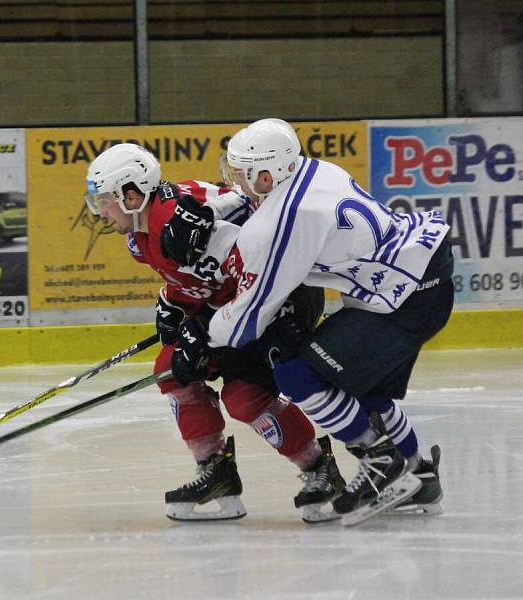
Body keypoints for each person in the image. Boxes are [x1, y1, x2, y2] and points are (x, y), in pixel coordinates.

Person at [173, 118, 450, 526]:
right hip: (418, 272)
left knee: (297, 375)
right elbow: (255, 206)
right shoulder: (314, 169)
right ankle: (421, 476)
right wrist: (215, 208)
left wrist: (202, 335)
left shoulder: (282, 223)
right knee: (363, 387)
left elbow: (248, 318)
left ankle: (380, 460)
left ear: (267, 175)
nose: (234, 181)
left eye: (240, 174)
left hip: (403, 294)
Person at [84, 142, 345, 522]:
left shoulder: (181, 216)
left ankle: (320, 467)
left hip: (278, 300)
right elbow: (194, 281)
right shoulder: (139, 240)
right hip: (229, 308)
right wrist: (174, 305)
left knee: (245, 398)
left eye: (104, 200)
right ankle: (215, 471)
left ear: (132, 194)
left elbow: (254, 235)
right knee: (171, 369)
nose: (100, 211)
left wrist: (204, 330)